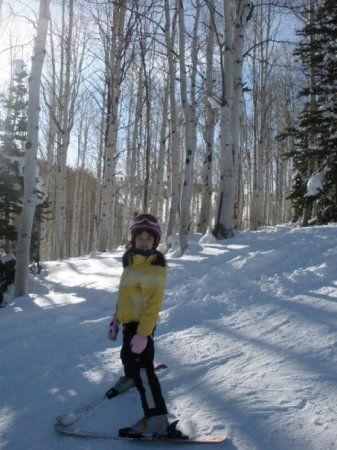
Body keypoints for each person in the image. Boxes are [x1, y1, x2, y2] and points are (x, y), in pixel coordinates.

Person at [107, 213, 170, 437]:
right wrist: (116, 318)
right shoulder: (131, 262)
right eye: (140, 237)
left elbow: (153, 306)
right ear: (133, 239)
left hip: (142, 326)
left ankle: (157, 420)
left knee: (144, 371)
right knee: (126, 356)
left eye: (148, 239)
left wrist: (144, 334)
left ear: (155, 242)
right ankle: (130, 376)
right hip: (129, 323)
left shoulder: (154, 268)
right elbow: (124, 295)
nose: (143, 242)